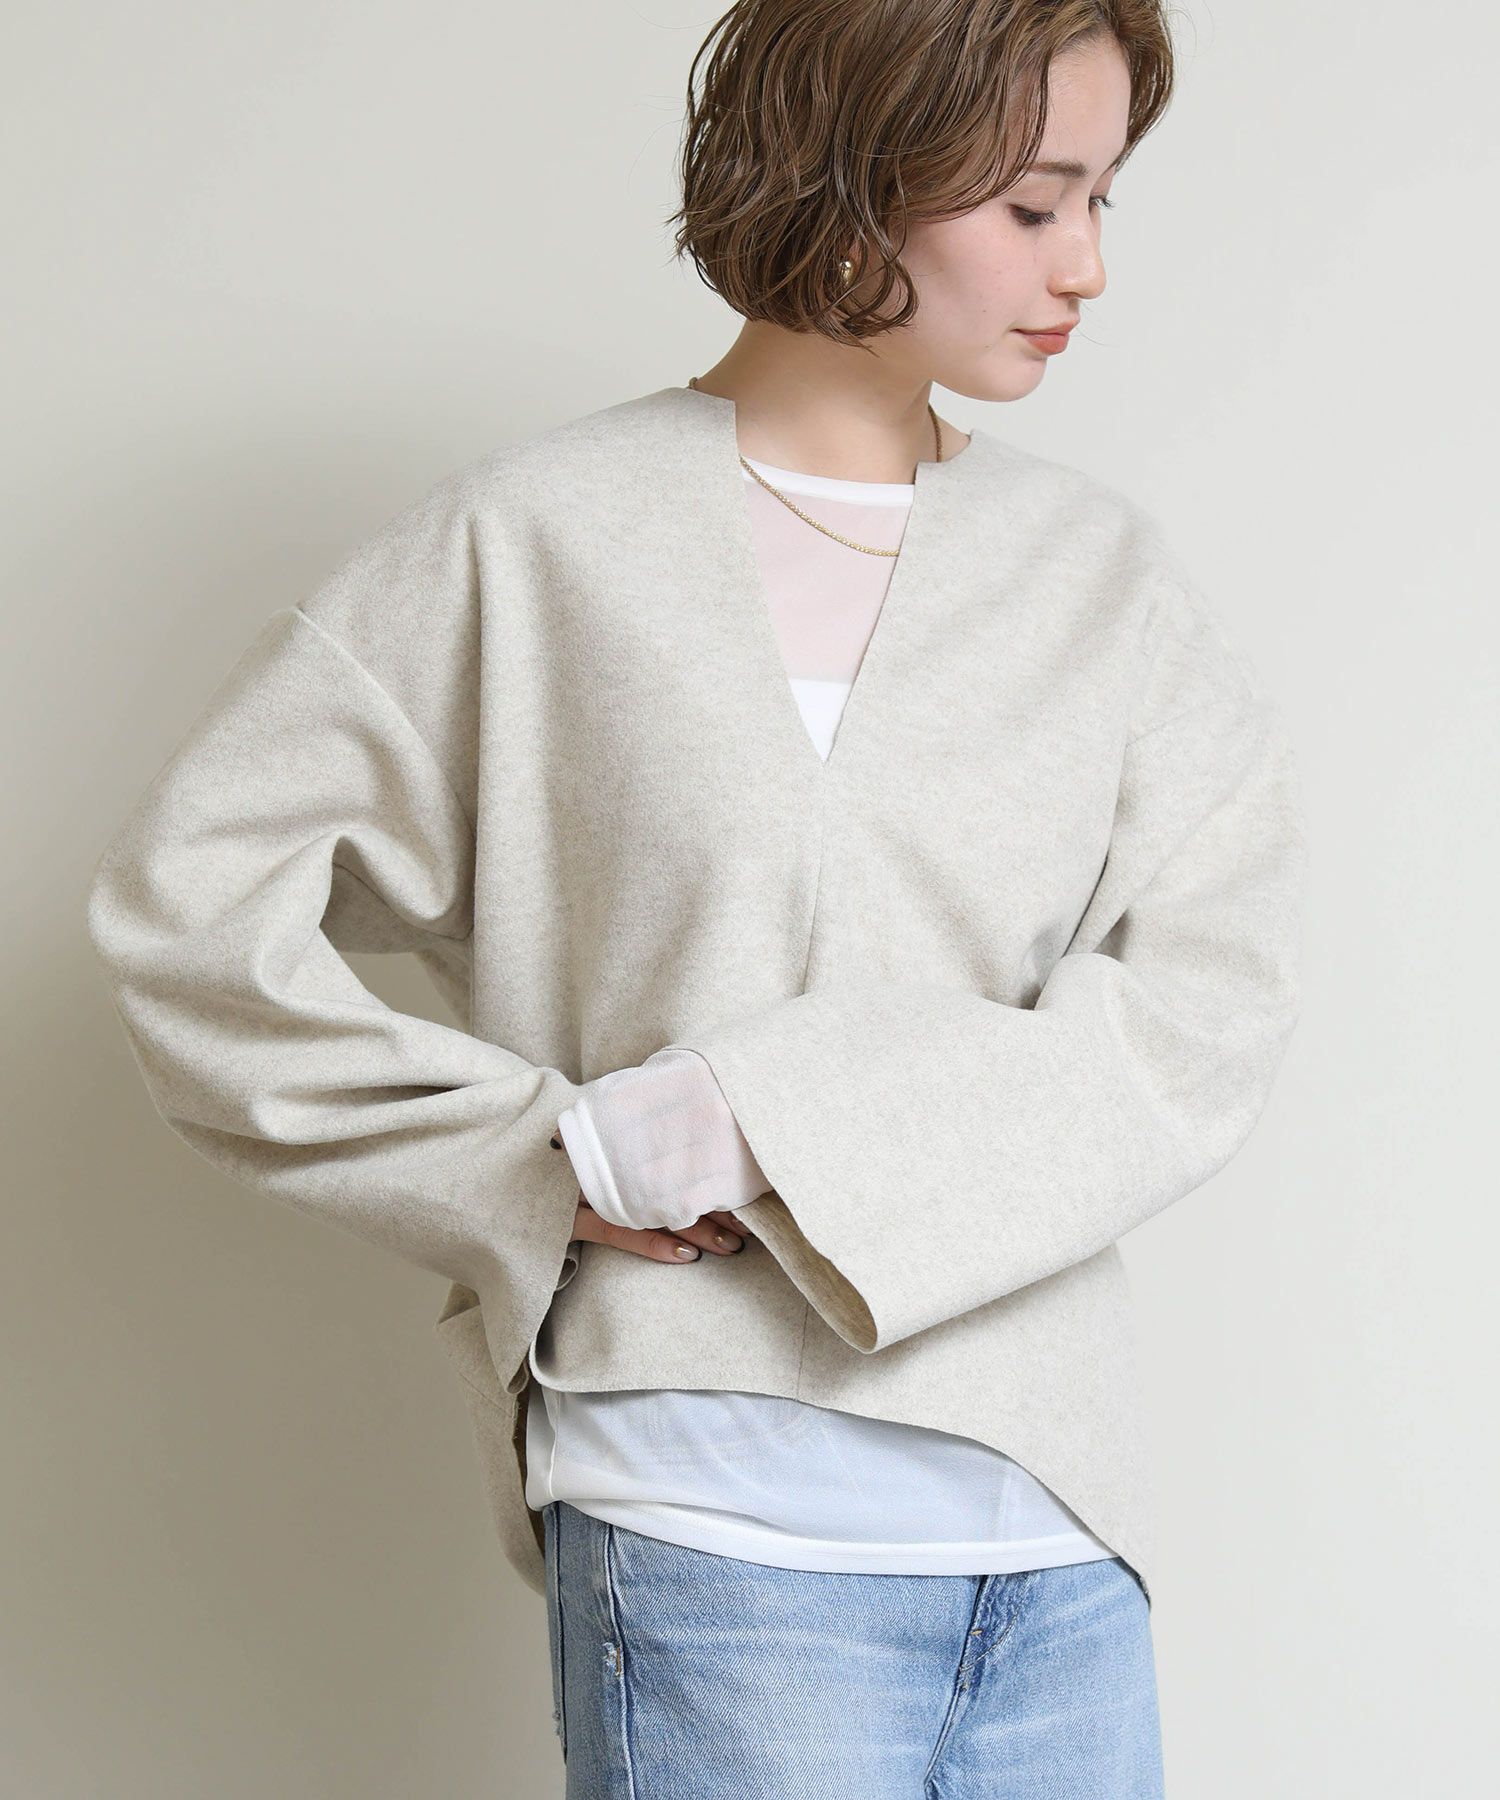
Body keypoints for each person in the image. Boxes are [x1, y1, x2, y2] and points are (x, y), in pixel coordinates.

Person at [87, 3, 1306, 1794]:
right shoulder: (539, 537)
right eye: (1035, 204)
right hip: (705, 1530)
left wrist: (757, 1122)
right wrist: (536, 1154)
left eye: (1102, 199)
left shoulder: (1104, 579)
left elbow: (1207, 1011)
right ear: (858, 170)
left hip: (1055, 1535)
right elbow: (191, 923)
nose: (1088, 268)